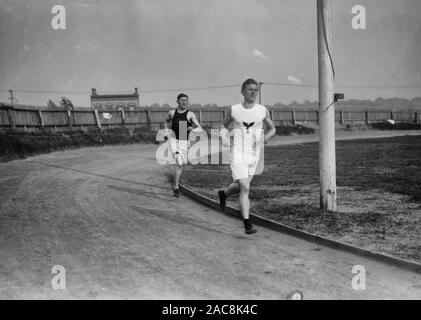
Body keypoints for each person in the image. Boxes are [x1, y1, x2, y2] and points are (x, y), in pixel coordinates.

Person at [218, 79, 276, 234]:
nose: (253, 92)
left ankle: (223, 194)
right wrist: (224, 137)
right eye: (250, 89)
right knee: (245, 187)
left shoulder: (262, 110)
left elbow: (272, 128)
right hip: (237, 151)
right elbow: (223, 125)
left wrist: (266, 137)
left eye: (256, 90)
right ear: (242, 91)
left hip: (254, 153)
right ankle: (247, 223)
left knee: (241, 186)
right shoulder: (234, 109)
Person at [164, 93, 202, 197]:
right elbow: (166, 121)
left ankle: (175, 184)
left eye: (186, 100)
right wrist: (166, 131)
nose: (184, 102)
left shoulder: (190, 115)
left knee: (180, 165)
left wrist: (193, 129)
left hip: (184, 142)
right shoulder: (172, 113)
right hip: (173, 140)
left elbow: (200, 129)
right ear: (177, 101)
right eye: (182, 100)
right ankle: (176, 187)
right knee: (177, 160)